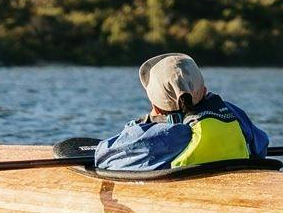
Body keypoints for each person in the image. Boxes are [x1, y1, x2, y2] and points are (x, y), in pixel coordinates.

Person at [89, 52, 271, 173]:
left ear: (156, 105)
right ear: (204, 88)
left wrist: (136, 127)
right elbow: (261, 146)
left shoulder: (166, 136)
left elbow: (105, 157)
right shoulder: (232, 114)